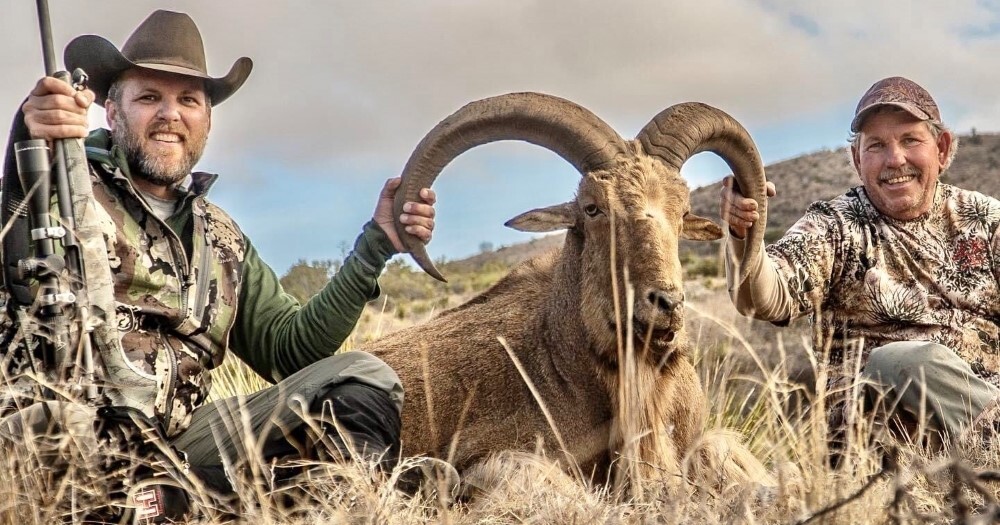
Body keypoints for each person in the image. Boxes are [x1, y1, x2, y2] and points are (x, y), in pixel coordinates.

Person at [0, 9, 437, 521]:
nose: (170, 114)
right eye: (148, 97)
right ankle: (221, 502)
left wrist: (376, 246)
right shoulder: (56, 190)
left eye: (189, 100)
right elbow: (16, 234)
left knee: (364, 378)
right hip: (63, 437)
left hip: (180, 444)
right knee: (54, 430)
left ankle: (349, 506)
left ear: (207, 120)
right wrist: (26, 136)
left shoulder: (222, 238)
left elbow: (289, 352)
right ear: (111, 113)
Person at [720, 76, 1000, 454]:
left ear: (943, 148)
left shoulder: (984, 219)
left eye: (910, 140)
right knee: (902, 362)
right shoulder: (835, 226)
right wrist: (744, 235)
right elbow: (764, 298)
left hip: (984, 424)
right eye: (877, 146)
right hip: (876, 451)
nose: (895, 159)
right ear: (857, 159)